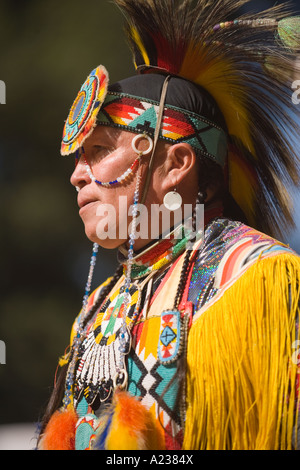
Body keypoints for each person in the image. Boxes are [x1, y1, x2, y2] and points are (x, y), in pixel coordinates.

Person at [37, 0, 300, 450]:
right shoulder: (101, 303)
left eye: (99, 150)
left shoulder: (254, 278)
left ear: (177, 162)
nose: (77, 174)